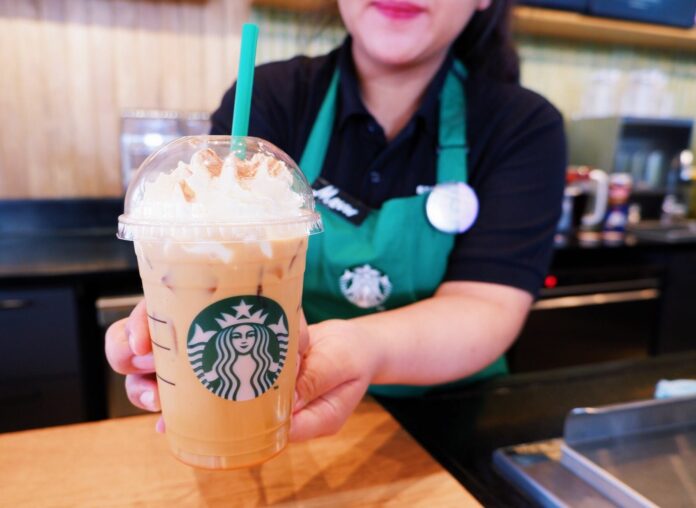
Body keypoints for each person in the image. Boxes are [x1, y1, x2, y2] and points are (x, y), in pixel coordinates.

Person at [106, 0, 566, 441]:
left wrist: (361, 349)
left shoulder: (521, 124)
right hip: (265, 404)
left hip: (449, 424)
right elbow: (213, 261)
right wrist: (182, 319)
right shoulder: (273, 96)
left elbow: (485, 307)